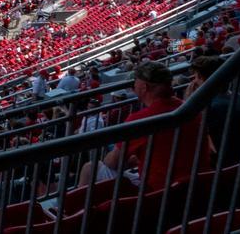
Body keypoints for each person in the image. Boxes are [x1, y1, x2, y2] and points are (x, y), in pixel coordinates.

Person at [84, 61, 210, 190]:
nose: (133, 86)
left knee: (89, 169)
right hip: (200, 184)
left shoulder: (140, 120)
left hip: (160, 192)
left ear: (144, 87)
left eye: (135, 82)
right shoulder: (189, 108)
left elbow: (112, 162)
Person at [187, 55, 240, 165]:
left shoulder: (214, 108)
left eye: (195, 77)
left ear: (200, 77)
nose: (194, 81)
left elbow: (213, 150)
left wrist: (191, 102)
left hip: (236, 167)